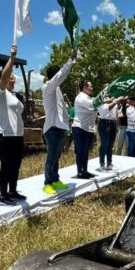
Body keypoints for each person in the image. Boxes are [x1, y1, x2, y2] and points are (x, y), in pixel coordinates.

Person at [0, 45, 26, 206]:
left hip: (17, 136)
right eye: (10, 76)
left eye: (14, 77)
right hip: (5, 135)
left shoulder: (14, 95)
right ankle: (3, 195)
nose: (13, 78)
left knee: (15, 166)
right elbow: (4, 78)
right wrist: (12, 58)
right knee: (6, 166)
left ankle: (13, 191)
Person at [42, 52, 76, 195]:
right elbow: (61, 75)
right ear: (54, 76)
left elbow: (62, 110)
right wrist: (70, 61)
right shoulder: (48, 86)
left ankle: (55, 179)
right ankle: (47, 182)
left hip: (60, 128)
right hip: (52, 128)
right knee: (51, 156)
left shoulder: (57, 89)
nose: (60, 77)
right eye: (58, 74)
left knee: (57, 156)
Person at [72, 80, 97, 179]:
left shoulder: (88, 98)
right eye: (91, 86)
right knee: (80, 151)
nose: (92, 88)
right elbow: (94, 105)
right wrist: (103, 100)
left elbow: (94, 108)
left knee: (85, 151)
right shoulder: (81, 97)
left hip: (87, 128)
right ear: (84, 87)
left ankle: (85, 170)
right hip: (80, 128)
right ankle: (80, 172)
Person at [97, 92, 121, 171]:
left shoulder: (114, 100)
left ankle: (109, 163)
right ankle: (102, 164)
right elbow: (108, 108)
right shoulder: (102, 101)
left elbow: (116, 114)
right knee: (104, 144)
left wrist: (117, 125)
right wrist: (115, 101)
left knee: (110, 145)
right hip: (104, 123)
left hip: (113, 123)